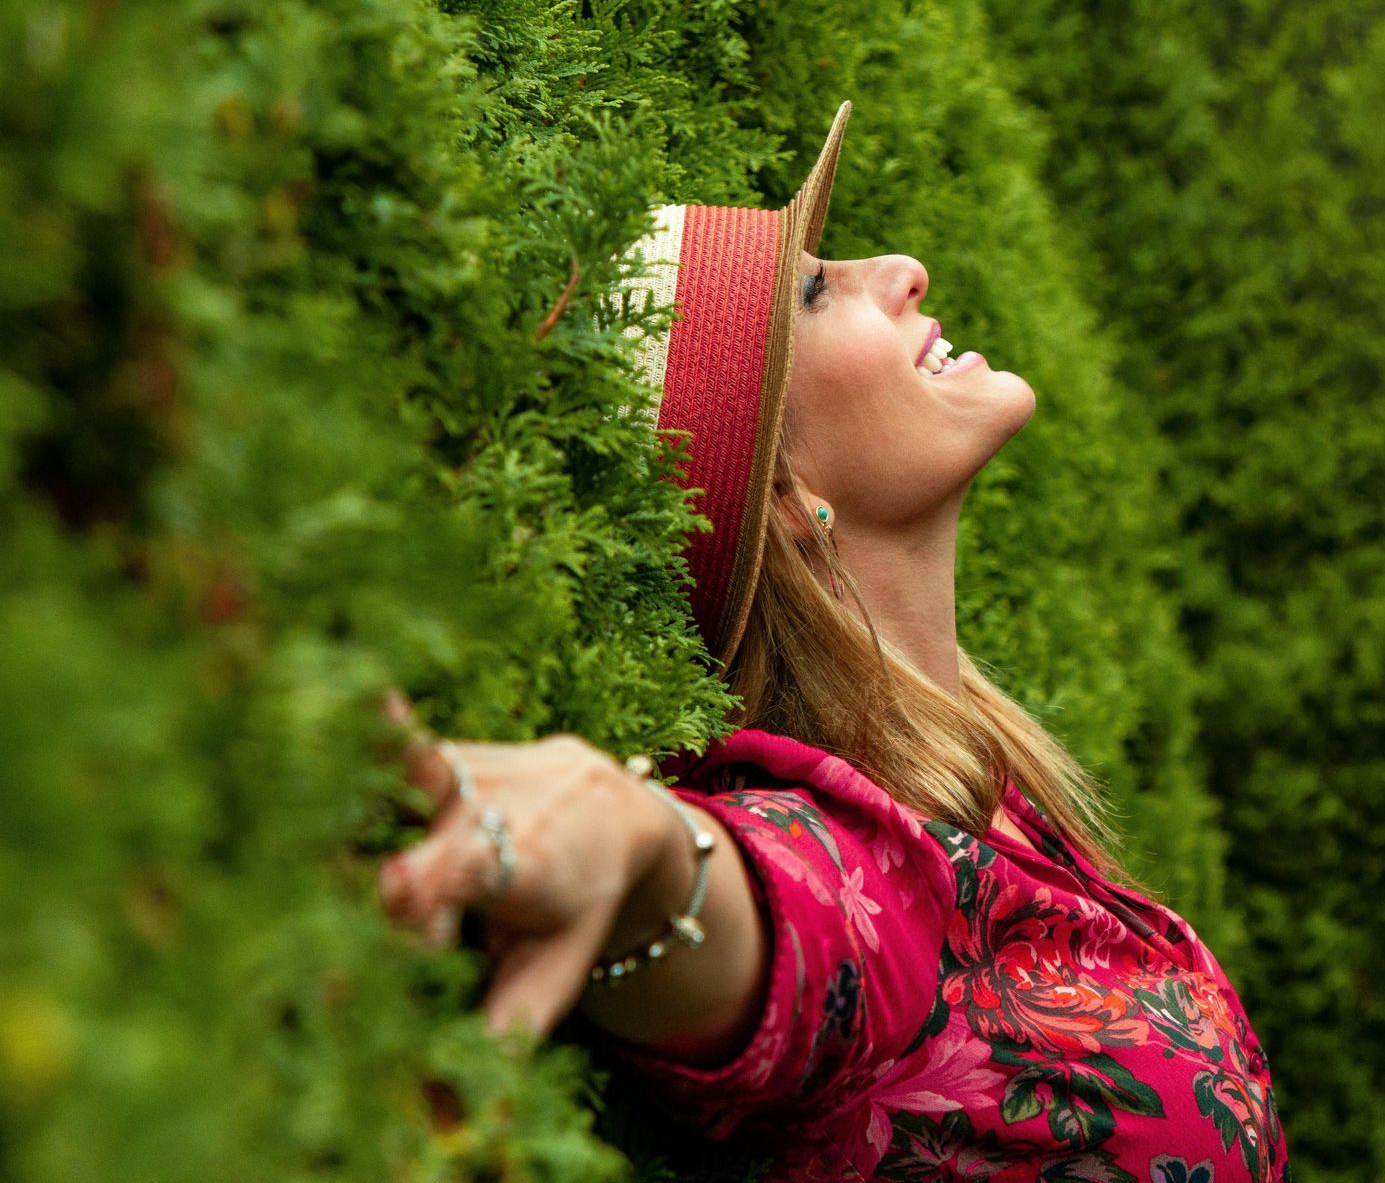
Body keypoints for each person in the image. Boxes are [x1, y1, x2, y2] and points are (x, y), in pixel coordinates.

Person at [374, 102, 1291, 1181]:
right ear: (783, 492)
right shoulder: (856, 865)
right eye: (816, 288)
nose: (903, 267)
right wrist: (635, 843)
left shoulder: (988, 790)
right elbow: (771, 913)